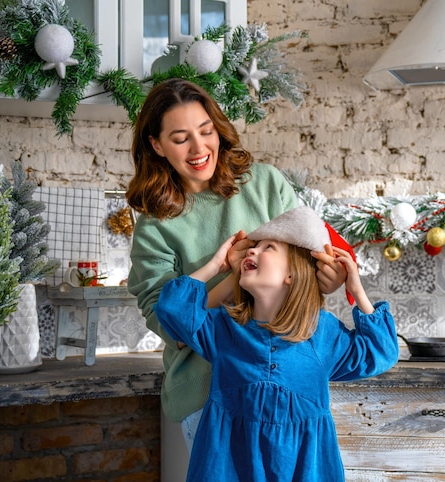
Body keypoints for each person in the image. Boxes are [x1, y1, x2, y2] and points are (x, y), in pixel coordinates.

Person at [126, 79, 346, 454]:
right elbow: (172, 325)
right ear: (157, 145)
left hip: (288, 386)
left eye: (206, 131)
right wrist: (230, 278)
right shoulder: (155, 223)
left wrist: (328, 279)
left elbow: (306, 267)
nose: (199, 148)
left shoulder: (265, 184)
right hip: (210, 394)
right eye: (181, 139)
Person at [154, 206, 400, 482]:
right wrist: (217, 266)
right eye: (253, 247)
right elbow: (172, 308)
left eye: (267, 248)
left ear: (292, 274)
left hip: (303, 469)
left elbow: (383, 352)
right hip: (226, 467)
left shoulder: (322, 334)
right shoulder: (224, 329)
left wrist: (356, 289)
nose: (252, 251)